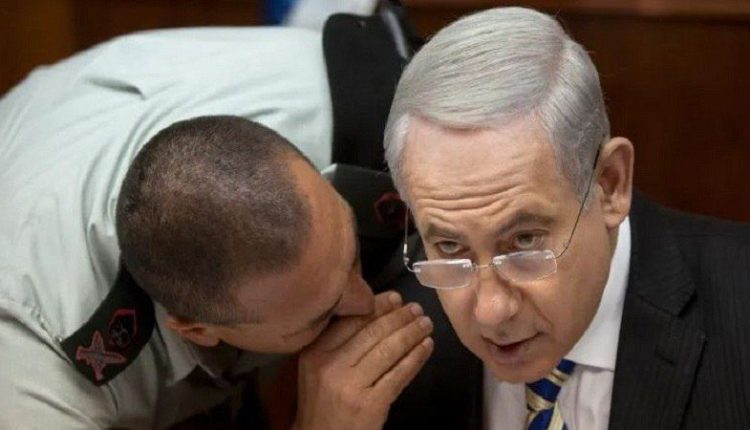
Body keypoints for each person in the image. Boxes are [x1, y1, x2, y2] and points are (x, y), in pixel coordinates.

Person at [0, 25, 432, 430]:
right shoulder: (35, 375)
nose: (364, 301)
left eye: (351, 250)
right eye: (318, 315)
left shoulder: (358, 108)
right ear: (195, 328)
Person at [380, 7, 750, 430]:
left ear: (610, 184)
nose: (491, 312)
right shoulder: (394, 357)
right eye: (450, 246)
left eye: (524, 241)